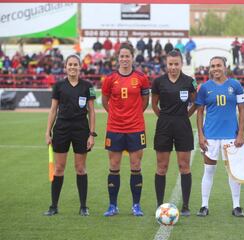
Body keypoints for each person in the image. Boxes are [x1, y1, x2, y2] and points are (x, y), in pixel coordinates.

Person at [44, 54, 96, 216]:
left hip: (81, 128)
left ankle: (83, 207)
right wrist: (48, 131)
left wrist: (92, 134)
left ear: (80, 67)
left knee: (80, 168)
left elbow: (92, 112)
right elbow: (53, 110)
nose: (72, 67)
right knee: (59, 168)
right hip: (62, 128)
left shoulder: (88, 86)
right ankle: (54, 206)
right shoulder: (58, 86)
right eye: (70, 65)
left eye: (75, 64)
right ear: (65, 67)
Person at [102, 43, 150, 217]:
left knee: (135, 166)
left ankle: (136, 205)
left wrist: (134, 115)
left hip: (135, 128)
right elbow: (105, 100)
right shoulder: (109, 79)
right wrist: (116, 115)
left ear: (132, 57)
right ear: (117, 58)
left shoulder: (141, 78)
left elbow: (145, 101)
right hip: (114, 128)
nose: (124, 59)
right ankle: (112, 206)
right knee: (114, 166)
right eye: (121, 56)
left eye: (127, 56)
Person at [195, 56, 244, 217]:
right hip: (210, 136)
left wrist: (241, 134)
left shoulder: (235, 85)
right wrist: (201, 135)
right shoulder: (204, 88)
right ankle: (204, 205)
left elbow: (243, 111)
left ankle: (236, 206)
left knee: (232, 172)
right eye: (212, 66)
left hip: (231, 135)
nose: (215, 68)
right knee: (209, 170)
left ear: (225, 67)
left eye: (218, 65)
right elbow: (200, 112)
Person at [152, 50, 197, 216]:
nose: (173, 67)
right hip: (164, 125)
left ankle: (185, 206)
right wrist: (164, 118)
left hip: (182, 125)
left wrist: (185, 116)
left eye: (176, 64)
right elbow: (154, 104)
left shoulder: (189, 82)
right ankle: (159, 204)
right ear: (166, 64)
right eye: (170, 64)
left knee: (184, 166)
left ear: (181, 64)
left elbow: (196, 102)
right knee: (161, 167)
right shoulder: (158, 82)